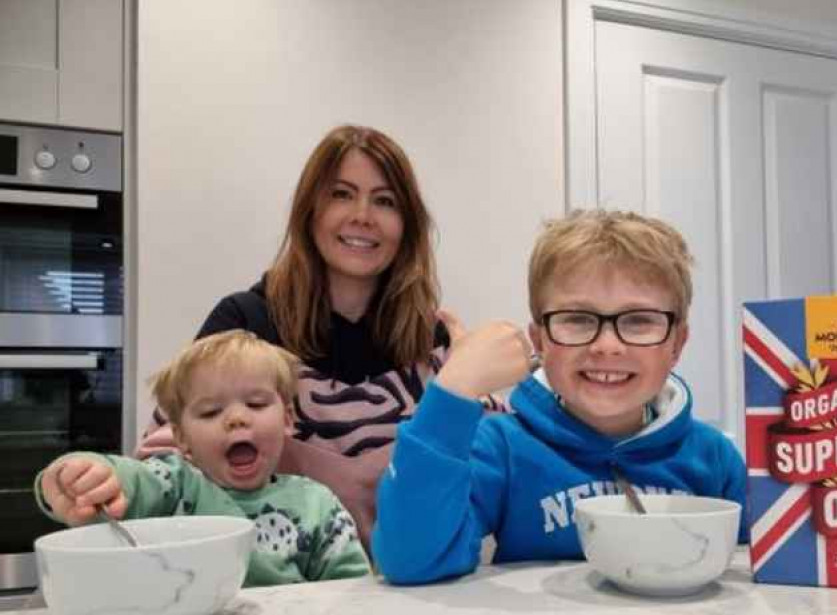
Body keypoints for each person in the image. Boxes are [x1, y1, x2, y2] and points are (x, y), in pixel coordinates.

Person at [372, 209, 748, 584]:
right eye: (578, 318)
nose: (607, 345)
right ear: (539, 340)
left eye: (638, 320)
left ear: (677, 343)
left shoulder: (714, 459)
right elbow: (411, 561)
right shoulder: (502, 448)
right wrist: (452, 391)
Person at [138, 125, 452, 552]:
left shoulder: (433, 338)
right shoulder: (244, 323)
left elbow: (475, 466)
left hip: (408, 585)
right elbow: (165, 462)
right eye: (341, 194)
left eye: (385, 201)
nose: (363, 215)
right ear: (310, 211)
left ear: (407, 226)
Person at [38, 330, 370, 586]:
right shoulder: (176, 484)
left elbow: (346, 592)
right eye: (211, 411)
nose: (237, 418)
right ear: (181, 437)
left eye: (255, 404)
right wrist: (85, 473)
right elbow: (130, 480)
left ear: (286, 419)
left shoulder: (316, 503)